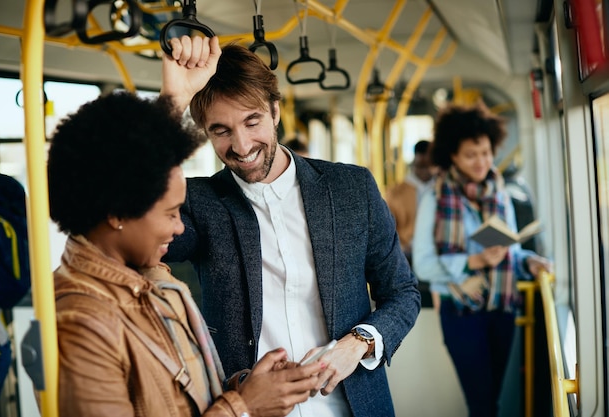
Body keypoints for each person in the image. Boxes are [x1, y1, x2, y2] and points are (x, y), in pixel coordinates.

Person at [160, 36, 421, 417]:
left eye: (253, 121)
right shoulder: (199, 203)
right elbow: (125, 217)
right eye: (221, 131)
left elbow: (402, 291)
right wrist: (172, 102)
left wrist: (360, 342)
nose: (242, 145)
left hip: (354, 406)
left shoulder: (351, 188)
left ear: (276, 111)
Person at [47, 91, 325, 417]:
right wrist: (245, 407)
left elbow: (184, 399)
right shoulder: (80, 323)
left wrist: (245, 389)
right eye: (170, 214)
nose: (180, 228)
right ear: (117, 213)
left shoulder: (155, 280)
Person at [412, 102, 552, 417]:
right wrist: (472, 262)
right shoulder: (435, 198)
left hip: (501, 306)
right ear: (453, 156)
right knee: (482, 403)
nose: (481, 162)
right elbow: (422, 264)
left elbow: (509, 250)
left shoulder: (499, 194)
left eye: (486, 153)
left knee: (496, 402)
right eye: (471, 155)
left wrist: (528, 260)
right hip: (461, 311)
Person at [385, 139, 435, 262]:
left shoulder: (441, 188)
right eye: (421, 166)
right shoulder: (395, 193)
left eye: (428, 166)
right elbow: (388, 227)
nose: (425, 170)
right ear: (414, 163)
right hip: (406, 254)